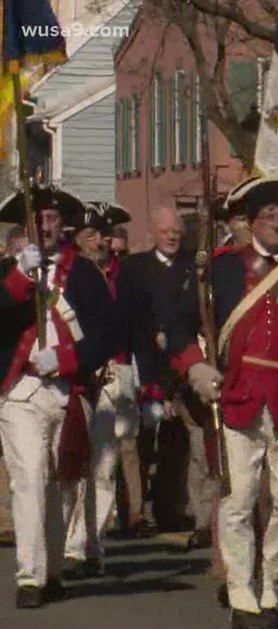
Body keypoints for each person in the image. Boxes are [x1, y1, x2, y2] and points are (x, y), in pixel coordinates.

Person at [161, 176, 278, 629]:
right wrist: (195, 369)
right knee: (238, 502)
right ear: (251, 222)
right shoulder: (221, 269)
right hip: (237, 398)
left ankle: (272, 581)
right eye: (270, 217)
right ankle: (244, 596)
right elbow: (179, 325)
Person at [0, 186, 115, 608]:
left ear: (62, 225)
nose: (45, 226)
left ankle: (50, 570)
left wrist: (66, 358)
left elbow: (106, 333)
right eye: (37, 219)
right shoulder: (9, 271)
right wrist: (18, 277)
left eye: (51, 219)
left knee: (63, 485)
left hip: (70, 389)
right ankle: (29, 576)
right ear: (26, 226)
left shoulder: (82, 273)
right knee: (29, 478)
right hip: (21, 391)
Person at [117, 208, 208, 545]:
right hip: (145, 362)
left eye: (177, 231)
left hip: (185, 364)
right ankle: (136, 511)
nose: (172, 236)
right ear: (153, 232)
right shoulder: (134, 268)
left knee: (182, 442)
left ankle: (176, 509)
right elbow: (127, 318)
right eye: (166, 230)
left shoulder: (193, 267)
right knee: (138, 443)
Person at [61, 202, 137, 580]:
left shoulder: (125, 275)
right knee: (74, 464)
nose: (99, 241)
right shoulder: (69, 277)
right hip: (79, 375)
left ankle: (92, 541)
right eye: (89, 235)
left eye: (102, 234)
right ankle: (72, 545)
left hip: (116, 373)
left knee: (105, 467)